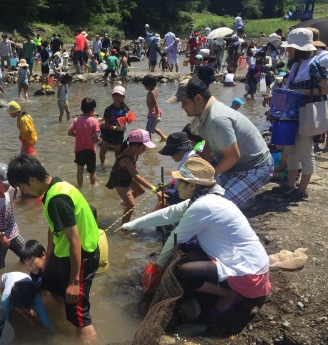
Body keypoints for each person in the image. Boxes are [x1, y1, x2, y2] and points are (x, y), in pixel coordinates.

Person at [120, 157, 271, 315]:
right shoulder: (205, 200)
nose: (176, 185)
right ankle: (214, 289)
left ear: (192, 185)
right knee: (187, 251)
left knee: (182, 271)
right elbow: (169, 213)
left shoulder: (203, 206)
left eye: (180, 181)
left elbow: (175, 238)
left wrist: (158, 266)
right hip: (252, 263)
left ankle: (229, 295)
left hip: (249, 273)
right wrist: (132, 225)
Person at [7, 155, 100, 338]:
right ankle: (60, 317)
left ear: (33, 180)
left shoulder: (58, 199)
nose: (24, 192)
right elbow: (53, 229)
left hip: (82, 256)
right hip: (63, 253)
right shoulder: (53, 188)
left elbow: (74, 240)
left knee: (79, 317)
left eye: (23, 187)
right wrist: (49, 259)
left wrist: (74, 282)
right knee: (49, 282)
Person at [169, 77, 273, 206]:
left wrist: (206, 177)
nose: (182, 107)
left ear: (198, 99)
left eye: (184, 102)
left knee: (216, 206)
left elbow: (233, 156)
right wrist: (197, 170)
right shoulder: (205, 114)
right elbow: (208, 144)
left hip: (255, 166)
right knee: (197, 197)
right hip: (233, 164)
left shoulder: (216, 119)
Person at [272, 28, 328, 201]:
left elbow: (325, 87)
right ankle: (290, 185)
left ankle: (302, 190)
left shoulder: (314, 64)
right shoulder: (296, 65)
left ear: (300, 49)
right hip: (292, 114)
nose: (288, 51)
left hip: (306, 113)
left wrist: (299, 91)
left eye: (290, 48)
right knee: (291, 150)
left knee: (305, 151)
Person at [105, 129, 158, 225]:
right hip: (119, 180)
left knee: (141, 190)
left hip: (127, 175)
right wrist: (153, 188)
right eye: (143, 147)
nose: (144, 150)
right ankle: (124, 227)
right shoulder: (126, 159)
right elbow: (137, 177)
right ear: (134, 146)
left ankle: (124, 202)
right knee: (132, 205)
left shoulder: (134, 153)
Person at [0, 163, 25, 271]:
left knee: (27, 254)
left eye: (8, 183)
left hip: (12, 231)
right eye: (4, 184)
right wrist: (1, 236)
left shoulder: (9, 190)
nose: (7, 186)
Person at [156, 131, 198, 207]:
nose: (171, 157)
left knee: (165, 194)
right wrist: (170, 185)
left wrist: (166, 192)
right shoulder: (191, 157)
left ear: (178, 152)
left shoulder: (189, 164)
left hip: (190, 197)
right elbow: (179, 181)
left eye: (171, 154)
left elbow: (186, 190)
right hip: (188, 192)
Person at [68, 97, 100, 187]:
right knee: (92, 171)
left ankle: (80, 188)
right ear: (93, 110)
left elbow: (69, 133)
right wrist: (97, 139)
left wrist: (77, 135)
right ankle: (93, 189)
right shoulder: (94, 121)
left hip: (79, 150)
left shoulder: (76, 120)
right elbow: (96, 138)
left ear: (81, 108)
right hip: (90, 150)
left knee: (80, 171)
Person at [100, 85, 131, 164]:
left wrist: (129, 118)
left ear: (123, 97)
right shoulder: (108, 109)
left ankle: (115, 168)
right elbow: (106, 124)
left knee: (117, 154)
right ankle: (102, 165)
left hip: (119, 134)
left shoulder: (125, 109)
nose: (117, 98)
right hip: (108, 133)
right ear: (113, 96)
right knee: (102, 153)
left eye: (120, 96)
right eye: (115, 95)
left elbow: (129, 121)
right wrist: (115, 128)